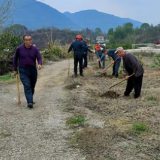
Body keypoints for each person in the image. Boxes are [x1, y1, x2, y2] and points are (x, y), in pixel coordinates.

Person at [13, 35, 42, 109]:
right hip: (23, 70)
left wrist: (39, 64)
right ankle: (30, 102)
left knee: (32, 85)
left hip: (33, 70)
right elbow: (15, 59)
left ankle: (30, 98)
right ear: (24, 41)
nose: (29, 41)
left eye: (30, 40)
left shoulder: (35, 49)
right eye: (27, 40)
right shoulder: (19, 49)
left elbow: (39, 57)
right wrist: (15, 69)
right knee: (27, 85)